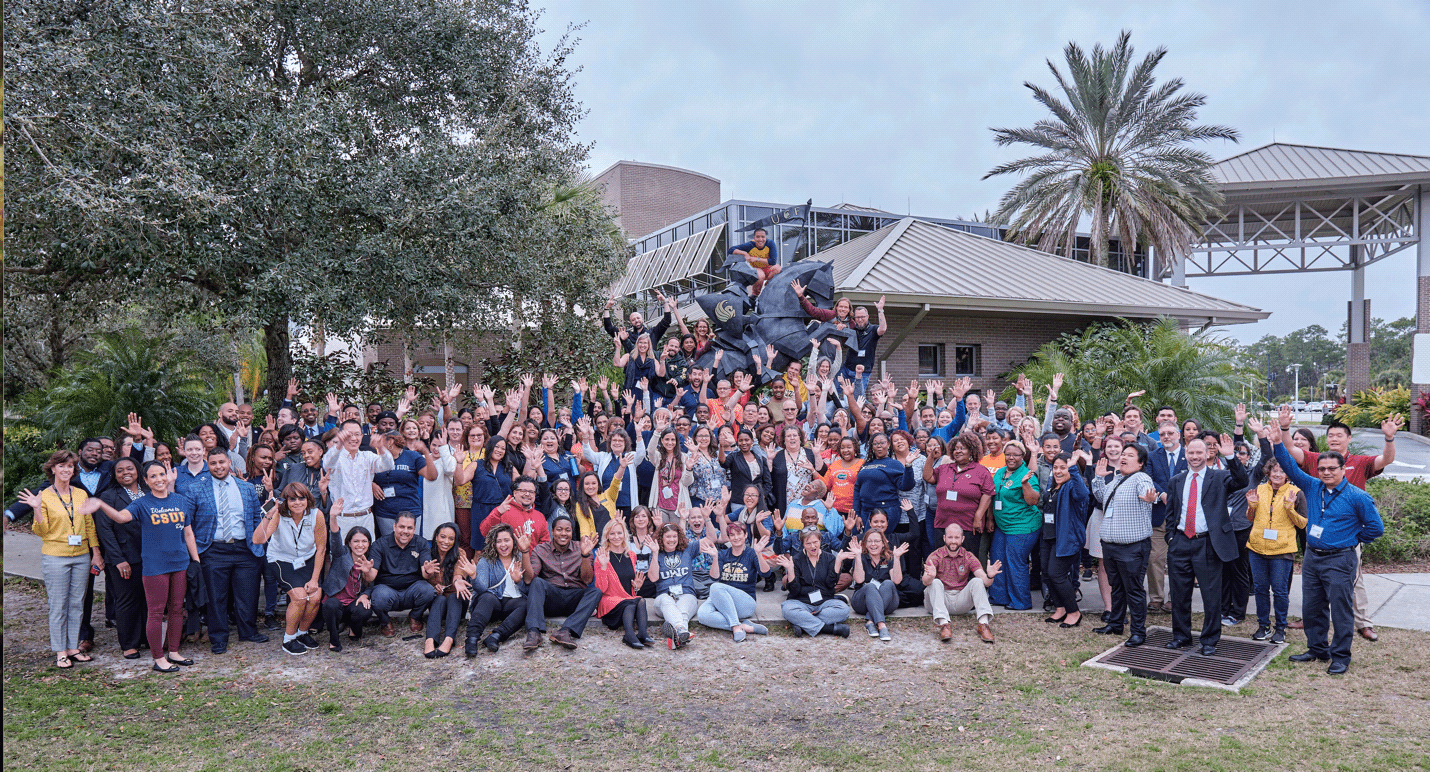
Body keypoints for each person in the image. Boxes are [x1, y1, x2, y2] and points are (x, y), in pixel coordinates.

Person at [1270, 423, 1384, 675]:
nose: (1326, 472)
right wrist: (1278, 443)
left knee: (1341, 609)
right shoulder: (1312, 486)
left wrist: (1351, 539)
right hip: (1313, 557)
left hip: (1340, 559)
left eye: (1332, 468)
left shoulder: (1357, 496)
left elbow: (1376, 528)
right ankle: (1317, 648)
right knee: (1312, 606)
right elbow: (1289, 466)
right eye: (1322, 469)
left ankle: (1340, 656)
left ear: (1343, 469)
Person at [1281, 412, 1402, 641]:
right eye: (1330, 435)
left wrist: (1389, 438)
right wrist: (1285, 430)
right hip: (1319, 531)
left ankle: (1363, 622)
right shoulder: (1318, 459)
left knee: (1353, 579)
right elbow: (1291, 451)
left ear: (1348, 438)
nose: (1334, 438)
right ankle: (1312, 619)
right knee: (1314, 582)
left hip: (1346, 537)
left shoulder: (1360, 462)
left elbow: (1385, 460)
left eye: (1339, 435)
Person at [82, 461, 202, 673]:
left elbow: (188, 532)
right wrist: (100, 504)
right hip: (155, 566)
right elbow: (120, 518)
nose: (159, 480)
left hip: (180, 563)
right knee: (155, 612)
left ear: (167, 476)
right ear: (145, 480)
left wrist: (196, 561)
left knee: (176, 609)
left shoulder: (180, 501)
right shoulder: (142, 504)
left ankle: (173, 652)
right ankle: (158, 658)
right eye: (153, 477)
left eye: (161, 475)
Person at [1160, 435, 1248, 655]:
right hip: (1180, 542)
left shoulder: (1219, 477)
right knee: (1179, 594)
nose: (1195, 456)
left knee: (1211, 596)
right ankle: (1181, 636)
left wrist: (1230, 456)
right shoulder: (1176, 480)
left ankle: (1209, 640)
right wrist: (1171, 538)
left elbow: (1242, 482)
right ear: (1185, 454)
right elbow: (1171, 513)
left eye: (1200, 452)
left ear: (1208, 454)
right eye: (1191, 452)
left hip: (1207, 543)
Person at [18, 451, 104, 668]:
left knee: (77, 603)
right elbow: (42, 531)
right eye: (62, 466)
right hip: (56, 556)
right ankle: (60, 651)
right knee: (59, 605)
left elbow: (89, 526)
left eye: (70, 467)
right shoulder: (44, 496)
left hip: (82, 556)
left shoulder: (80, 494)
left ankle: (73, 647)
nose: (66, 470)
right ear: (53, 469)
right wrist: (36, 508)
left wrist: (96, 552)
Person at [190, 447, 270, 654]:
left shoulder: (246, 488)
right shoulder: (196, 488)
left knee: (247, 593)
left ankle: (248, 631)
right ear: (208, 464)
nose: (218, 467)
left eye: (222, 462)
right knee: (216, 597)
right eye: (214, 463)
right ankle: (218, 637)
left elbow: (254, 518)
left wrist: (257, 544)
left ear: (229, 463)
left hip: (245, 548)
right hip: (213, 550)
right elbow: (189, 522)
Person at [1091, 444, 1161, 647]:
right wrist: (1098, 477)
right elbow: (1100, 497)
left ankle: (1138, 632)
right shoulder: (1116, 479)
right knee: (1117, 587)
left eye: (1130, 455)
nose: (1124, 457)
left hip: (1132, 547)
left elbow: (1148, 494)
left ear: (1140, 463)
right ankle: (1115, 624)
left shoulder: (1141, 479)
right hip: (1110, 545)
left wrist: (1151, 498)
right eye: (1123, 454)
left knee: (1134, 589)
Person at [252, 483, 330, 655]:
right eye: (292, 499)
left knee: (315, 596)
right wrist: (269, 515)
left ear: (308, 499)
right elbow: (258, 540)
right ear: (285, 501)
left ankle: (302, 633)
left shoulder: (316, 515)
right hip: (282, 559)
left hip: (307, 558)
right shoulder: (279, 514)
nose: (297, 502)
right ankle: (288, 639)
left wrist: (314, 579)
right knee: (300, 597)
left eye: (301, 498)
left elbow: (321, 548)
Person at [1244, 457, 1306, 644]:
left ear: (1288, 474)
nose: (1278, 474)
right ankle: (1263, 626)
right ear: (1268, 472)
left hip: (1282, 550)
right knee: (1261, 589)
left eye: (1282, 471)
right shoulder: (1260, 490)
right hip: (1257, 548)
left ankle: (1280, 628)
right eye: (1274, 470)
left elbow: (1303, 523)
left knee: (1279, 591)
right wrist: (1252, 506)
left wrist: (1290, 508)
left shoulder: (1296, 493)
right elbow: (1250, 518)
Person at [94, 457, 149, 658]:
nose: (125, 472)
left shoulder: (149, 492)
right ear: (114, 475)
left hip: (150, 556)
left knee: (147, 599)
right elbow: (105, 530)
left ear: (138, 471)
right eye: (120, 470)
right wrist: (118, 559)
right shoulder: (108, 497)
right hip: (124, 558)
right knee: (127, 600)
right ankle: (129, 644)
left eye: (130, 468)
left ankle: (145, 637)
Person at [523, 515, 602, 651]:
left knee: (596, 592)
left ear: (572, 532)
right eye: (559, 530)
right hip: (551, 599)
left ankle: (565, 631)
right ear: (552, 531)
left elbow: (588, 580)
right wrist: (525, 551)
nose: (563, 533)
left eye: (567, 530)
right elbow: (529, 579)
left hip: (574, 598)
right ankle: (534, 633)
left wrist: (584, 556)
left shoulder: (582, 547)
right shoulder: (541, 550)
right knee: (537, 582)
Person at [922, 523, 999, 643]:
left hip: (960, 600)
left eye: (957, 538)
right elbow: (925, 582)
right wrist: (930, 576)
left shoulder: (968, 556)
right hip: (939, 601)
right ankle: (944, 625)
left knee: (977, 581)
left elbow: (985, 582)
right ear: (944, 538)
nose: (953, 541)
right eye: (950, 537)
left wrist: (990, 576)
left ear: (962, 539)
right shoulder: (935, 556)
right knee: (935, 582)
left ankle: (983, 625)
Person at [987, 441, 1041, 611]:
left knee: (1015, 562)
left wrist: (1025, 484)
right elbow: (992, 495)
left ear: (1022, 456)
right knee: (997, 559)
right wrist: (990, 518)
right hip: (1002, 526)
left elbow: (1033, 500)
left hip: (1022, 527)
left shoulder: (1027, 474)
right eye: (1008, 454)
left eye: (1016, 454)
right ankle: (999, 597)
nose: (1011, 458)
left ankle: (1020, 601)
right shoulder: (1001, 472)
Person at [696, 522, 772, 642]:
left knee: (715, 587)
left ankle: (736, 626)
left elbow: (766, 573)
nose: (736, 537)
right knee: (702, 615)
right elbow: (714, 577)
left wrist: (758, 554)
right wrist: (715, 558)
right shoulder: (723, 554)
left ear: (746, 535)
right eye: (732, 535)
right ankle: (741, 626)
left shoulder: (751, 553)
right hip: (723, 599)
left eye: (739, 534)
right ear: (729, 538)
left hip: (745, 602)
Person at [465, 523, 533, 656]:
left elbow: (528, 588)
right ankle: (472, 639)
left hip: (511, 604)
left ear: (513, 541)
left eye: (506, 540)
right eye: (499, 541)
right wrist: (473, 576)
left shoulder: (520, 558)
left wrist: (518, 581)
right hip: (491, 604)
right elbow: (481, 588)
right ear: (493, 544)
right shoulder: (486, 561)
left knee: (526, 604)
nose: (503, 545)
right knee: (487, 597)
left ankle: (496, 636)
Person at [1040, 454, 1089, 629]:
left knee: (1057, 574)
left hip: (1067, 539)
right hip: (1048, 536)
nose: (1058, 471)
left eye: (1063, 467)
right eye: (1056, 468)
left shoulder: (1073, 486)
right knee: (1046, 573)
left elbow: (1083, 495)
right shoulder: (1052, 486)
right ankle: (1060, 608)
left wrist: (1074, 467)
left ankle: (1074, 612)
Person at [924, 433, 994, 556]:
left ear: (972, 450)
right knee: (942, 560)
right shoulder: (944, 468)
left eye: (962, 448)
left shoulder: (981, 471)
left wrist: (978, 516)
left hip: (968, 525)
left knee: (967, 560)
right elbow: (927, 477)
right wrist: (931, 457)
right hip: (943, 524)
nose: (958, 451)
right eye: (955, 448)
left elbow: (988, 494)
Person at [322, 423, 395, 540]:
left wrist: (381, 448)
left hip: (366, 517)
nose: (354, 438)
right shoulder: (335, 457)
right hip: (342, 518)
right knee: (342, 555)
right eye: (349, 434)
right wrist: (339, 444)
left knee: (367, 555)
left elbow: (388, 465)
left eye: (357, 434)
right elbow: (327, 463)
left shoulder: (368, 456)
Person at [775, 528, 851, 638]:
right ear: (803, 544)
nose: (812, 546)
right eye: (808, 543)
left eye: (815, 542)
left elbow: (830, 585)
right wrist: (790, 570)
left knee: (843, 610)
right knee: (787, 609)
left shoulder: (829, 558)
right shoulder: (796, 560)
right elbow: (795, 591)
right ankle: (830, 629)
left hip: (824, 602)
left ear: (820, 541)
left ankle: (803, 624)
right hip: (801, 602)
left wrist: (838, 562)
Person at [369, 512, 435, 637]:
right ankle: (385, 621)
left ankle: (415, 616)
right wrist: (367, 570)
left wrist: (428, 571)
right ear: (394, 526)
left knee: (428, 591)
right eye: (402, 527)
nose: (405, 531)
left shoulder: (421, 543)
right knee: (378, 597)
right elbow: (371, 577)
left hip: (412, 590)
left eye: (409, 528)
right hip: (387, 590)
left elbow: (425, 574)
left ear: (414, 529)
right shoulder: (380, 544)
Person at [1145, 421, 1186, 615]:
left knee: (1179, 560)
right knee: (1155, 558)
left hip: (1184, 516)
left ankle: (1175, 599)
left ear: (1178, 434)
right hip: (1158, 514)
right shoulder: (1153, 456)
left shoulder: (1190, 456)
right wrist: (1161, 494)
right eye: (1162, 434)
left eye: (1170, 433)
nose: (1166, 437)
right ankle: (1156, 599)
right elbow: (1148, 478)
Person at [594, 518, 653, 649]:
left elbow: (628, 587)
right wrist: (603, 567)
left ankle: (643, 634)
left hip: (626, 601)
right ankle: (629, 636)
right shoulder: (602, 556)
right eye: (612, 533)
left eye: (619, 533)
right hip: (609, 603)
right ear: (607, 536)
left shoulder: (631, 555)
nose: (616, 537)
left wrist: (636, 587)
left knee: (640, 600)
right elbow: (600, 589)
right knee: (631, 603)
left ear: (624, 534)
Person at [319, 518, 376, 652]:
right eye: (356, 541)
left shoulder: (369, 560)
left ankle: (353, 628)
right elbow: (334, 538)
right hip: (336, 602)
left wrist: (364, 596)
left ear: (369, 544)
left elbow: (371, 584)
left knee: (365, 609)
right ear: (349, 543)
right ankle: (334, 640)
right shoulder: (341, 554)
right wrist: (332, 517)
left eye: (364, 541)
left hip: (352, 603)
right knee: (330, 605)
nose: (360, 545)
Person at [372, 425, 438, 538]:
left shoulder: (413, 456)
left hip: (410, 512)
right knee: (389, 547)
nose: (378, 444)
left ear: (391, 441)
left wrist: (426, 452)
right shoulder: (376, 458)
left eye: (381, 440)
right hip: (385, 513)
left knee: (410, 546)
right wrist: (371, 484)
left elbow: (432, 476)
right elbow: (363, 478)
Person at [418, 523, 471, 658]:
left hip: (457, 602)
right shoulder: (428, 554)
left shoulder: (460, 553)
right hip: (438, 603)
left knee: (454, 597)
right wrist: (433, 585)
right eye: (442, 537)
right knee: (440, 598)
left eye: (451, 539)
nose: (446, 542)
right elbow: (424, 576)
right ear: (436, 537)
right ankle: (430, 640)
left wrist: (457, 581)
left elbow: (459, 573)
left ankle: (449, 639)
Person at [651, 522, 706, 649]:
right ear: (662, 538)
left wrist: (708, 519)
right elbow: (653, 578)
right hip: (663, 599)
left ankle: (677, 634)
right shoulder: (656, 553)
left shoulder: (688, 549)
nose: (672, 540)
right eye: (668, 537)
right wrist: (654, 554)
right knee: (666, 601)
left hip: (686, 594)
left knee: (683, 610)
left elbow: (711, 539)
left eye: (674, 536)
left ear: (679, 537)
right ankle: (681, 631)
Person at [850, 529, 908, 641]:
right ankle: (881, 625)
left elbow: (897, 581)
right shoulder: (860, 557)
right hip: (862, 601)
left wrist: (897, 558)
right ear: (865, 544)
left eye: (877, 541)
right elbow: (859, 580)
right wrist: (857, 556)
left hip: (887, 600)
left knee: (888, 583)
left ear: (883, 543)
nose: (873, 544)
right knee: (869, 586)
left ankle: (870, 621)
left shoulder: (890, 557)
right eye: (869, 541)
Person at [854, 433, 915, 529]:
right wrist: (857, 514)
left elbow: (906, 486)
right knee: (865, 541)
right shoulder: (866, 464)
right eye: (875, 444)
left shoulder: (894, 464)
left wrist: (908, 466)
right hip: (865, 509)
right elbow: (857, 489)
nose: (879, 446)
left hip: (885, 509)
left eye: (882, 443)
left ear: (888, 445)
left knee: (876, 540)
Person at [480, 476, 552, 547]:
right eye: (523, 491)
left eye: (531, 492)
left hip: (532, 558)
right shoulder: (502, 510)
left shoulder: (539, 516)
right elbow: (485, 532)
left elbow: (545, 543)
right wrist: (497, 513)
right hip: (506, 557)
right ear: (514, 493)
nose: (527, 494)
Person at [728, 227, 783, 296]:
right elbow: (731, 250)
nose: (760, 239)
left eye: (763, 237)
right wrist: (744, 253)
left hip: (767, 268)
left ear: (766, 238)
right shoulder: (750, 245)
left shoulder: (770, 244)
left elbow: (773, 261)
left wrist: (757, 259)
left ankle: (767, 286)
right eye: (758, 237)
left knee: (777, 268)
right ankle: (755, 295)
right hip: (755, 269)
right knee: (760, 276)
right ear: (754, 238)